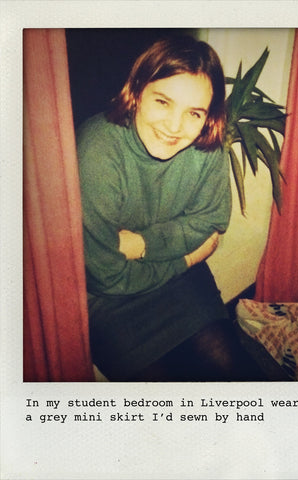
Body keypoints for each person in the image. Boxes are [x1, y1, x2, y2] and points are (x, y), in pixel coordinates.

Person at [77, 34, 264, 382]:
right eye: (163, 102)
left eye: (194, 112)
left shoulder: (206, 141)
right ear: (136, 92)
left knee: (232, 369)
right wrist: (187, 258)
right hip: (110, 299)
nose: (175, 128)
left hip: (180, 286)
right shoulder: (96, 151)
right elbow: (105, 275)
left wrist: (140, 245)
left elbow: (211, 220)